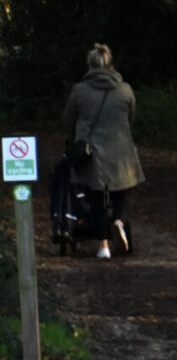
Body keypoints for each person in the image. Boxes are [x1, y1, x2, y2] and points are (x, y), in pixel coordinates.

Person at [62, 43, 144, 260]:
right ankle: (118, 221)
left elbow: (69, 120)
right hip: (121, 152)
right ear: (111, 64)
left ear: (90, 65)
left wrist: (73, 141)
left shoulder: (79, 91)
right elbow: (131, 118)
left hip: (91, 153)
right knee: (122, 191)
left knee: (95, 196)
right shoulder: (125, 90)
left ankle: (103, 245)